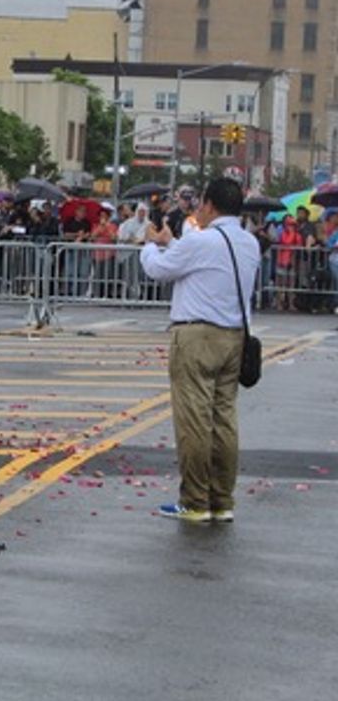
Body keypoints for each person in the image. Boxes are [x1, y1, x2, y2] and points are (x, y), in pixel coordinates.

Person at [140, 178, 259, 523]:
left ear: (209, 204)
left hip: (196, 337)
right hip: (234, 337)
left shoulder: (202, 241)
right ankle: (222, 500)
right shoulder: (249, 243)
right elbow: (203, 263)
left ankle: (194, 500)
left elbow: (159, 269)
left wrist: (150, 245)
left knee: (194, 420)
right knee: (224, 420)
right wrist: (172, 242)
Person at [117, 203, 150, 300]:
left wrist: (140, 240)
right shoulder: (128, 223)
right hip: (129, 255)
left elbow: (149, 237)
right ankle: (128, 297)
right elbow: (122, 237)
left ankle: (140, 297)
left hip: (143, 254)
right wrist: (131, 239)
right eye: (140, 211)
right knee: (129, 277)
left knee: (141, 277)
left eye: (144, 212)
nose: (142, 214)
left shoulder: (149, 224)